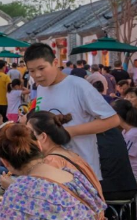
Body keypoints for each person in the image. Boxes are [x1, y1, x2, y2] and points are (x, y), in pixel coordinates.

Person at [24, 43, 119, 180]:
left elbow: (113, 120)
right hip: (52, 169)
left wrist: (70, 131)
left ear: (55, 62)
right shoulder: (41, 88)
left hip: (80, 171)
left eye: (41, 68)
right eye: (32, 71)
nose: (37, 75)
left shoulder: (79, 86)